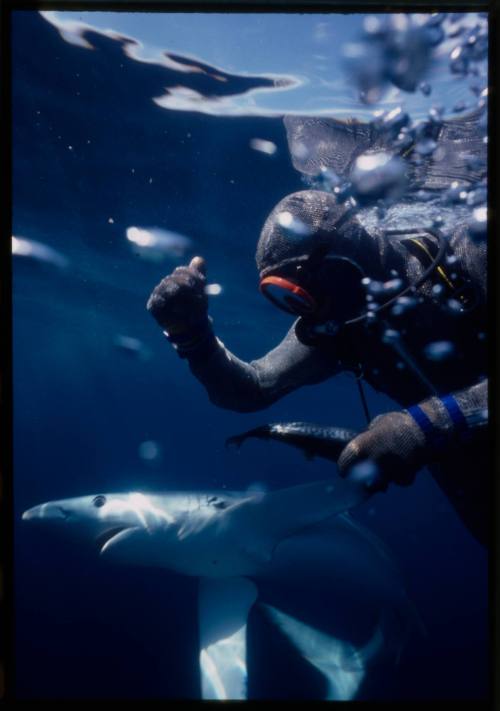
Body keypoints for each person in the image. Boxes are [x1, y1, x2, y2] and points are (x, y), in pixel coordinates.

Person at [146, 111, 488, 547]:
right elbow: (250, 389)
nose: (307, 320)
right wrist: (191, 336)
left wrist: (424, 425)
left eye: (305, 297)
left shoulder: (470, 252)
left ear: (347, 268)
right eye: (291, 301)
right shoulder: (341, 321)